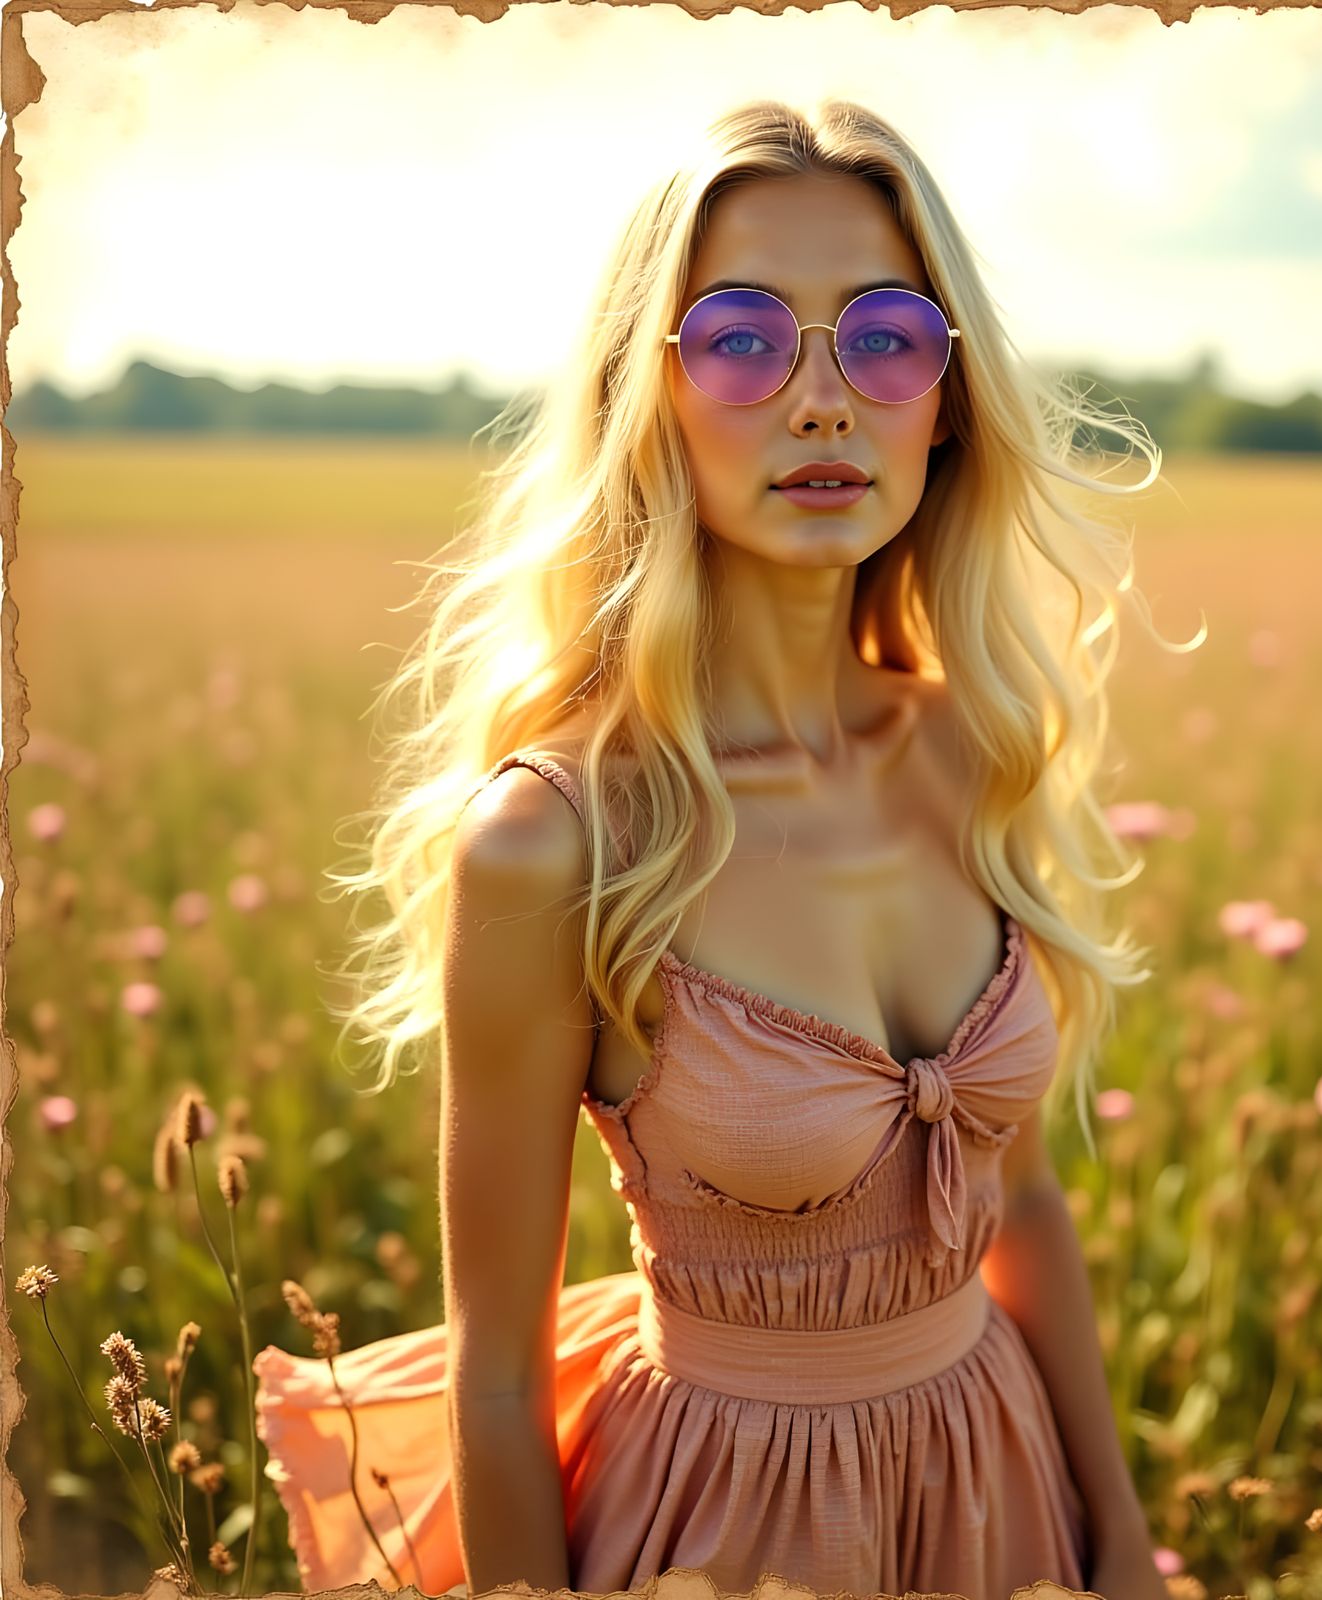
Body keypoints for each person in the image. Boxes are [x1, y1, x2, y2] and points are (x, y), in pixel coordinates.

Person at [253, 97, 1186, 1600]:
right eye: (744, 338)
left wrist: (1121, 1550)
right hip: (729, 1534)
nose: (824, 400)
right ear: (650, 394)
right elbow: (497, 1374)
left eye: (885, 336)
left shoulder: (971, 747)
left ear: (946, 398)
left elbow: (1017, 1202)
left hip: (999, 1499)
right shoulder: (557, 841)